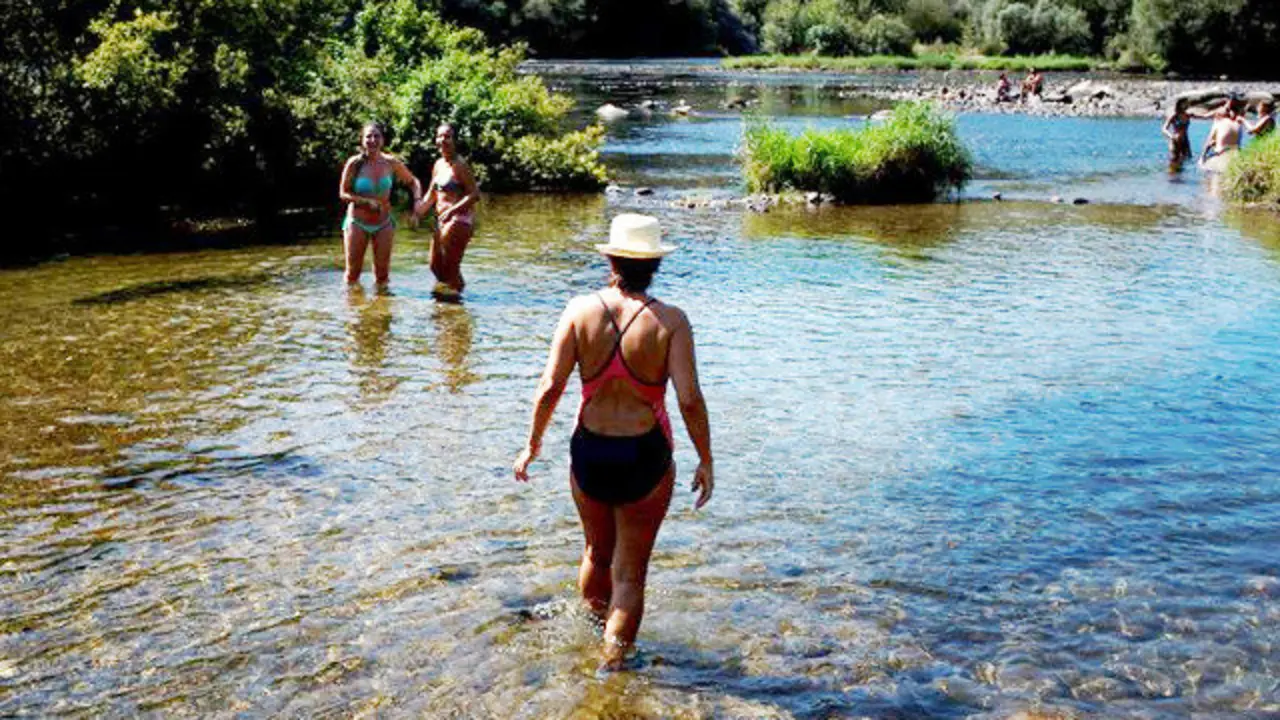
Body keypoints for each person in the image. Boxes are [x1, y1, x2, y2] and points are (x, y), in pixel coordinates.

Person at [512, 214, 714, 671]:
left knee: (595, 553)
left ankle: (591, 637)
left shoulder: (579, 311)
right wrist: (706, 458)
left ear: (610, 259)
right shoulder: (672, 321)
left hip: (589, 451)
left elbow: (549, 387)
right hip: (645, 455)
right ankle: (610, 668)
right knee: (629, 573)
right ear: (656, 264)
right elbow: (688, 398)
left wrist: (532, 445)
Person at [338, 122, 423, 287]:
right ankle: (352, 310)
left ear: (383, 140)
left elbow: (413, 182)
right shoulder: (354, 163)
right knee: (352, 275)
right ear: (362, 140)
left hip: (383, 223)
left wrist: (417, 202)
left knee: (382, 276)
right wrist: (365, 201)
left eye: (376, 136)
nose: (372, 140)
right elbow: (343, 193)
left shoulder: (391, 163)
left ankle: (381, 309)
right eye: (368, 136)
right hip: (357, 223)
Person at [415, 123, 480, 298]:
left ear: (455, 140)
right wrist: (418, 211)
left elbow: (474, 194)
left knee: (450, 268)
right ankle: (455, 297)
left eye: (447, 136)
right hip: (441, 220)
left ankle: (454, 309)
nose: (443, 140)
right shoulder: (438, 164)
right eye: (440, 136)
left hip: (459, 220)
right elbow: (431, 194)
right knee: (435, 266)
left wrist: (452, 211)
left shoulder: (460, 165)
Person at [1200, 96, 1246, 173]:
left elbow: (1208, 143)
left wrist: (1202, 158)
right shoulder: (1238, 124)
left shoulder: (1218, 123)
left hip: (1222, 155)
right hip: (1237, 155)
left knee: (1205, 169)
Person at [1162, 98, 1194, 166]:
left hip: (1185, 141)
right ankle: (1172, 175)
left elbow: (1204, 116)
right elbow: (1164, 129)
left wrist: (1216, 114)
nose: (1187, 105)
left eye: (1187, 103)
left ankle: (1180, 176)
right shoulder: (1174, 116)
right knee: (1174, 161)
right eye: (1185, 103)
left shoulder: (1188, 115)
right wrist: (1171, 136)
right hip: (1175, 140)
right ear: (1180, 104)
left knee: (1186, 159)